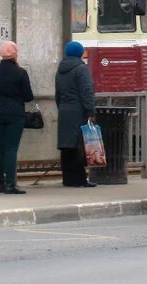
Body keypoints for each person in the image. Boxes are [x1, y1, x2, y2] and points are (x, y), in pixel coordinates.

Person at [0, 41, 34, 194]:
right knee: (11, 149)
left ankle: (0, 184)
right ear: (15, 54)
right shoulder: (20, 73)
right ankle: (11, 184)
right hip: (14, 114)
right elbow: (28, 96)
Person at [55, 41, 96, 188]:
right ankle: (80, 179)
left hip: (64, 110)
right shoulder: (81, 69)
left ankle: (68, 179)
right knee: (79, 146)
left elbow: (58, 94)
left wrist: (61, 108)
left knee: (66, 146)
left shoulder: (60, 70)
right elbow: (86, 92)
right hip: (78, 111)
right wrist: (90, 111)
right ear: (79, 53)